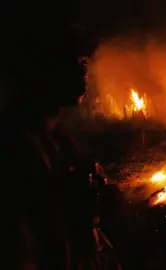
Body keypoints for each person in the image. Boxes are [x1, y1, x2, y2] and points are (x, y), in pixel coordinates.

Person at [1, 12, 121, 269]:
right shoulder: (17, 150)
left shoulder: (62, 143)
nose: (84, 73)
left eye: (85, 64)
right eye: (77, 63)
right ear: (45, 68)